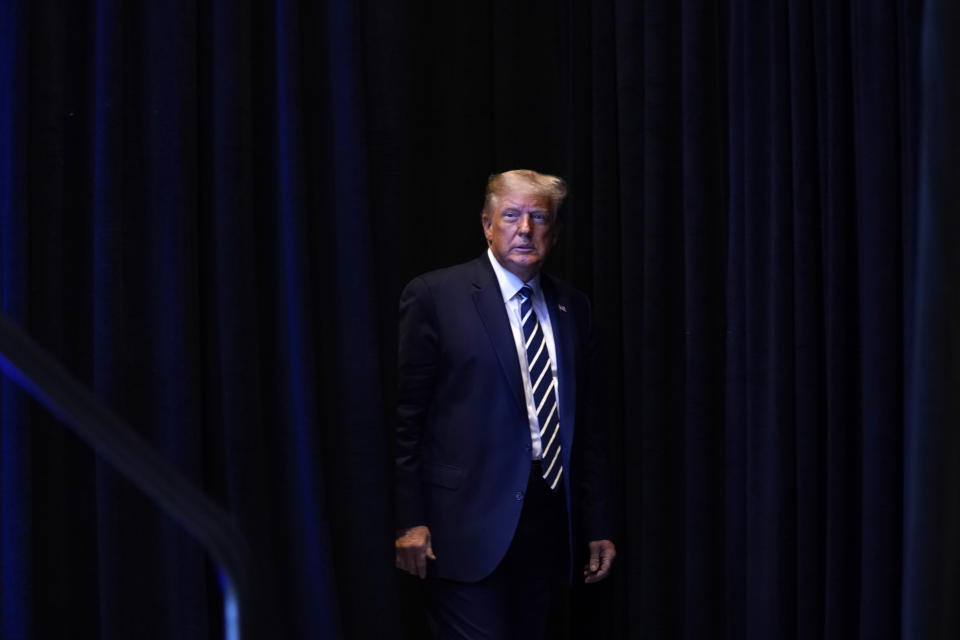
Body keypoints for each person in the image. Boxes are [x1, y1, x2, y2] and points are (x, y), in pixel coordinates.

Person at [394, 169, 615, 638]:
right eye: (511, 215)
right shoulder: (436, 295)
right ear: (487, 224)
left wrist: (598, 524)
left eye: (539, 217)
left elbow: (590, 429)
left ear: (554, 231)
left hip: (550, 525)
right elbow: (405, 422)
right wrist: (409, 520)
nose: (525, 229)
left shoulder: (573, 308)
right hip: (463, 526)